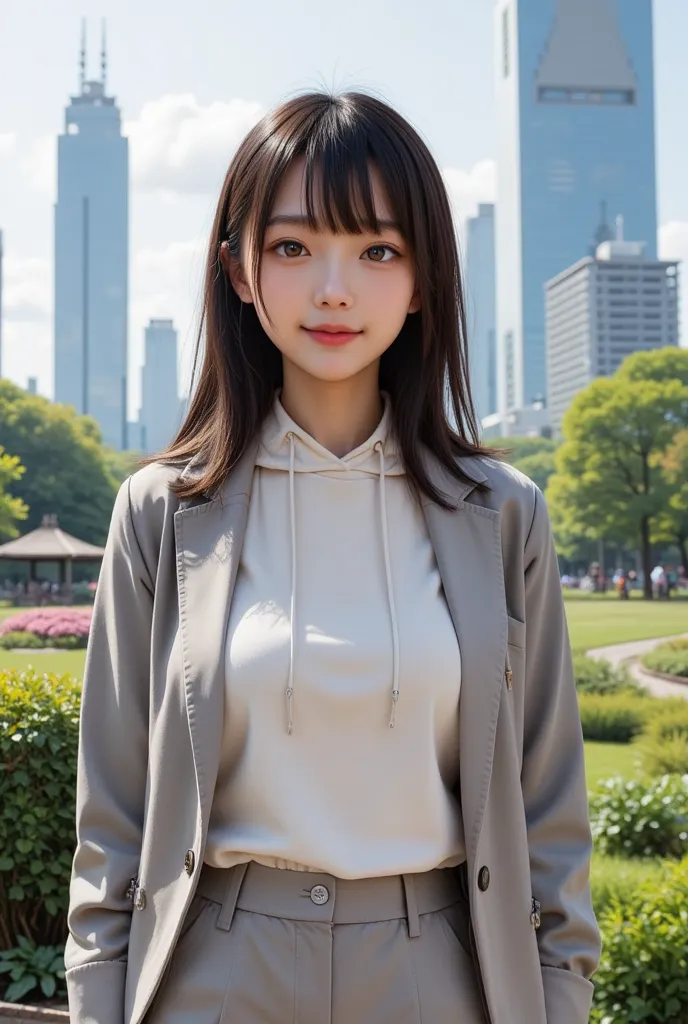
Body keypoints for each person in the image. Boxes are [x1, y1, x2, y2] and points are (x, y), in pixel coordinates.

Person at [64, 91, 600, 1024]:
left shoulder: (503, 514)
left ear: (426, 275)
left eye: (378, 250)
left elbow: (550, 809)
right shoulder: (163, 512)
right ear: (237, 270)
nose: (335, 290)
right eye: (293, 247)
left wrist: (558, 996)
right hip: (217, 970)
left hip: (442, 970)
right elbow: (111, 822)